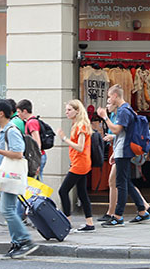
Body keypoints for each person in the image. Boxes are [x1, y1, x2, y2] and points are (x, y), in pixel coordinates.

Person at [0, 99, 39, 258]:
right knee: (8, 210)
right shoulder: (2, 129)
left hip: (11, 176)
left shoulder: (11, 130)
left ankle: (25, 241)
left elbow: (18, 153)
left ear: (1, 113)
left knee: (7, 210)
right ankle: (17, 243)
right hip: (6, 176)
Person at [99, 85, 150, 227]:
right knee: (126, 181)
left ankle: (118, 215)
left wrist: (104, 117)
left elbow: (116, 130)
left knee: (120, 183)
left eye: (109, 96)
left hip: (124, 149)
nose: (109, 99)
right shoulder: (126, 109)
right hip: (122, 149)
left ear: (115, 96)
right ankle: (142, 211)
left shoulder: (123, 111)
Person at [56, 99, 95, 232]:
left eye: (69, 110)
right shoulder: (78, 125)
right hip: (80, 163)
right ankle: (89, 223)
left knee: (63, 191)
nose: (66, 112)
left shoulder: (80, 126)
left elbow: (80, 147)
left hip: (80, 163)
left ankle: (67, 222)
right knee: (82, 193)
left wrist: (64, 138)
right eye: (66, 110)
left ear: (77, 111)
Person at [18, 99, 47, 181]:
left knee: (36, 185)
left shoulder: (31, 123)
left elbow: (37, 142)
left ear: (24, 111)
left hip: (37, 157)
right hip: (38, 157)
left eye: (19, 112)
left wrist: (37, 162)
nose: (18, 114)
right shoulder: (31, 121)